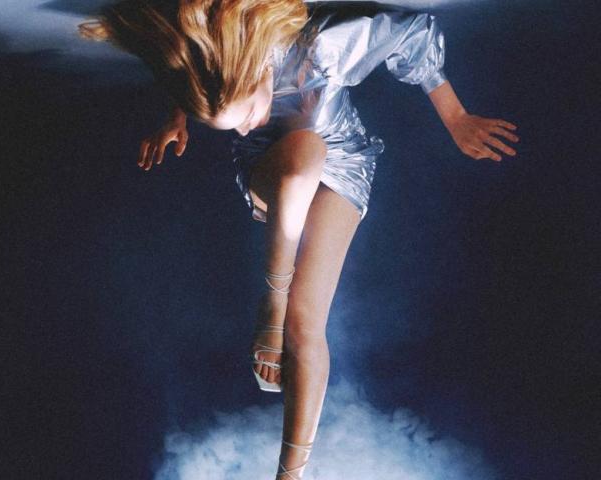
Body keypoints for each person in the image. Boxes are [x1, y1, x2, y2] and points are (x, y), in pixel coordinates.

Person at [78, 1, 520, 478]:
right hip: (270, 168)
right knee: (303, 151)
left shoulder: (320, 47)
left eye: (247, 113)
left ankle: (290, 474)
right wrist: (178, 118)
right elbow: (199, 66)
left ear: (255, 72)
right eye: (230, 127)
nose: (244, 126)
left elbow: (412, 30)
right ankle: (272, 300)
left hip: (344, 163)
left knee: (305, 322)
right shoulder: (222, 70)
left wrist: (456, 118)